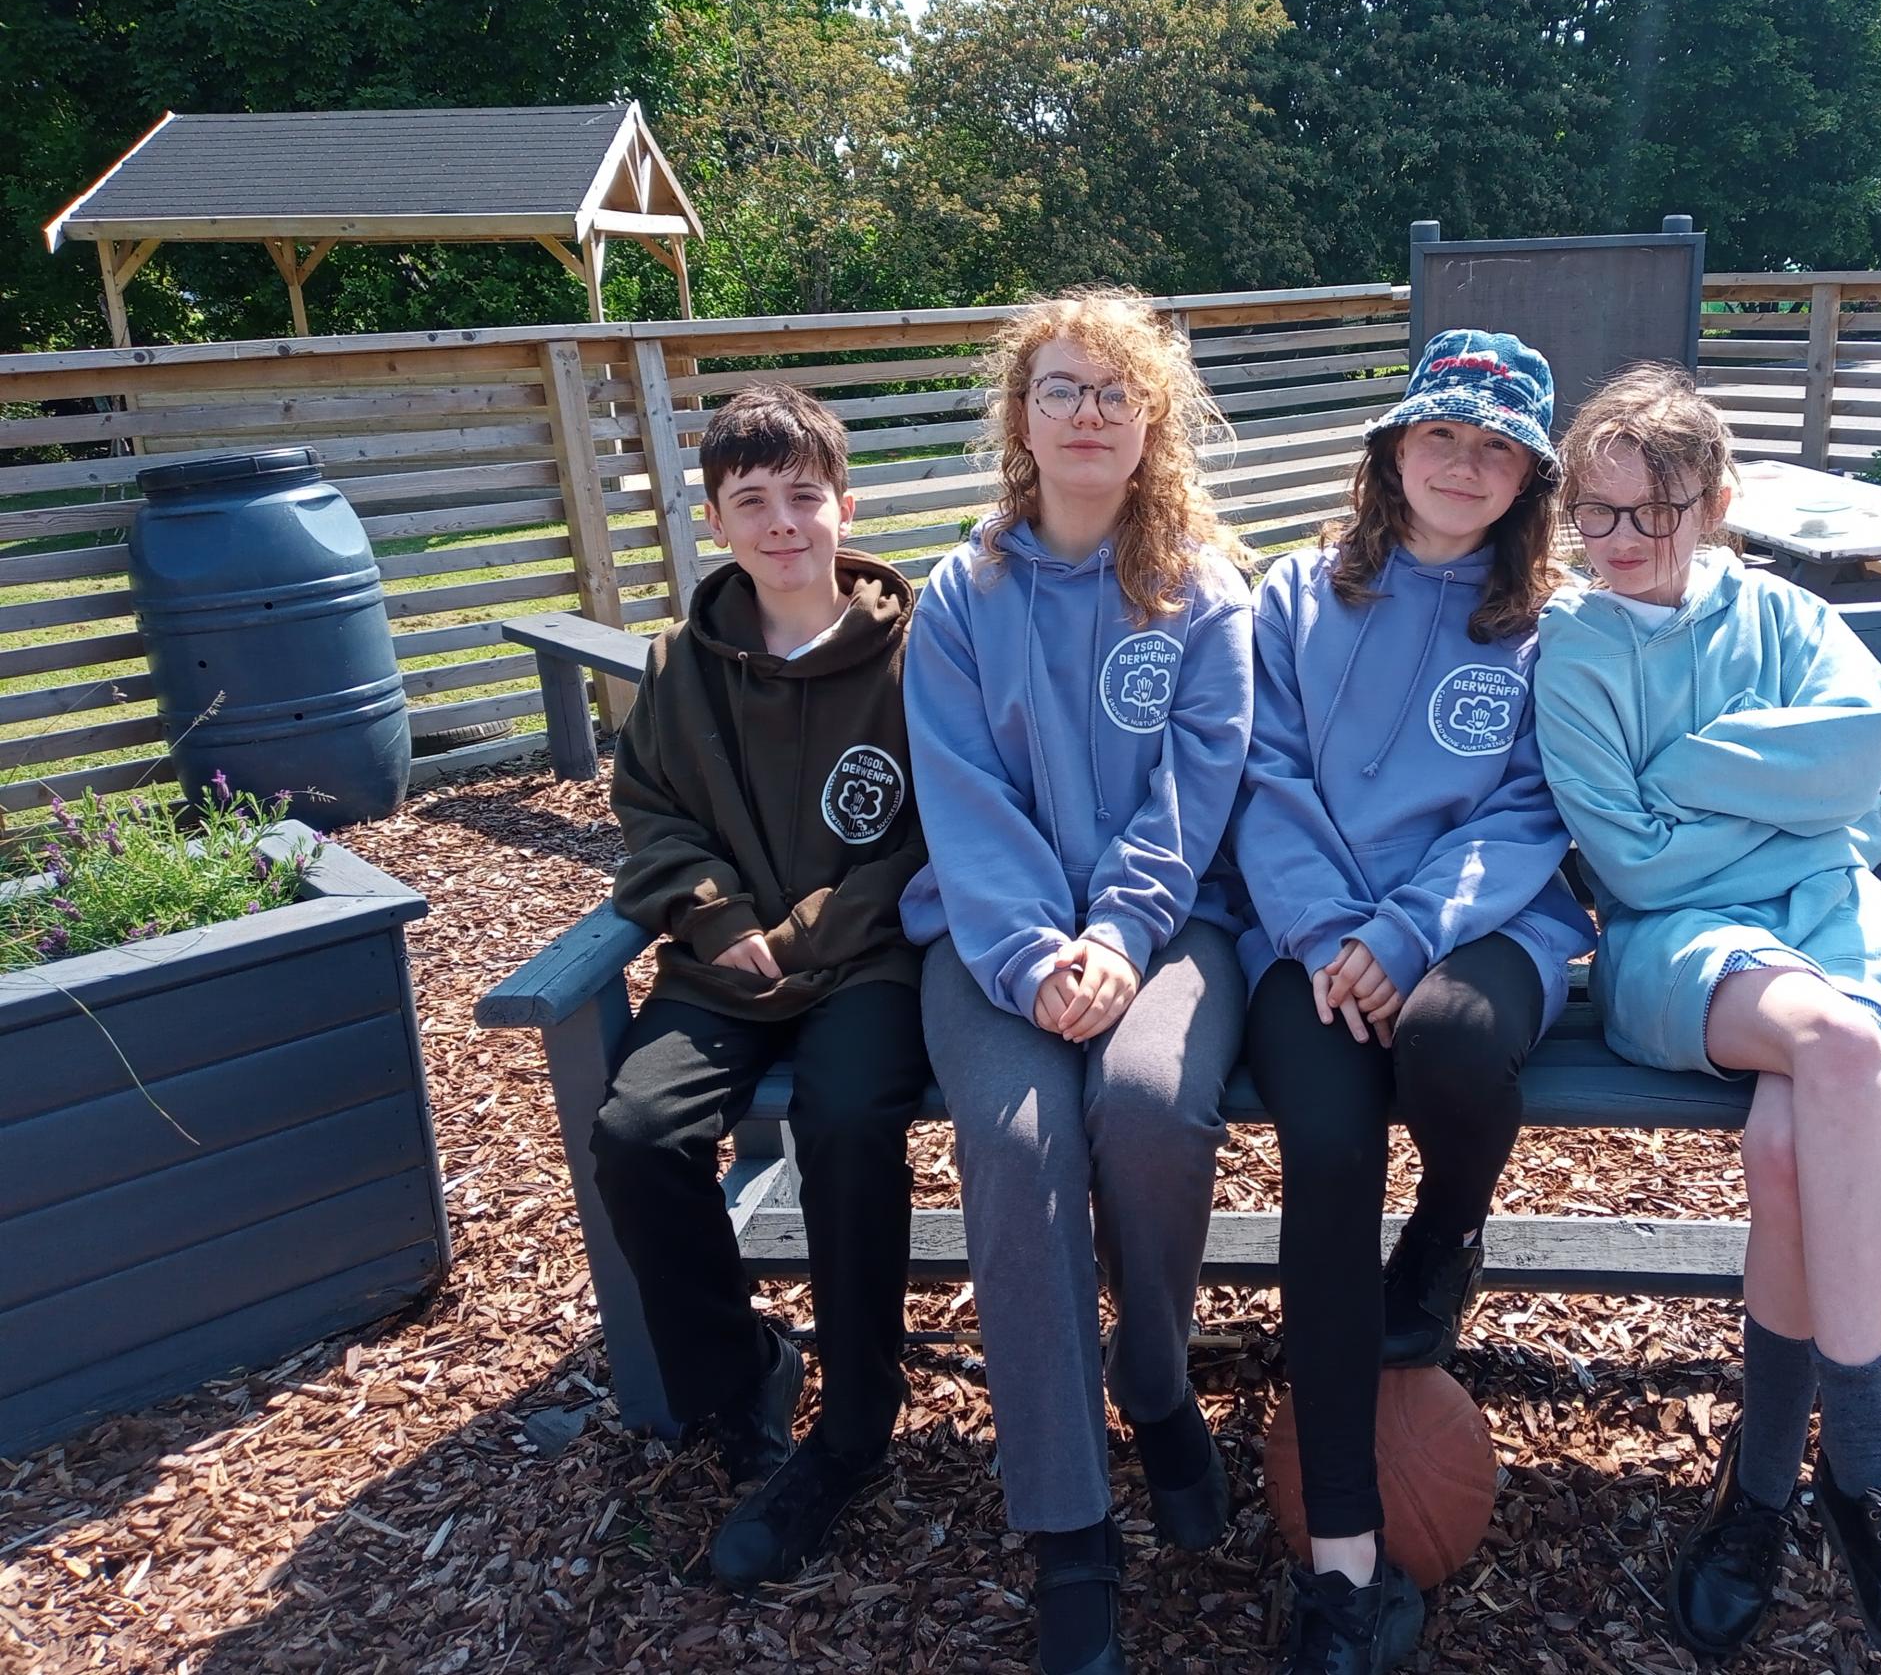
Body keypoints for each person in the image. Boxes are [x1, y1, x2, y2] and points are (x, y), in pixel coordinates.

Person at [1533, 363, 1881, 1675]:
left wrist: (1686, 775)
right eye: (1596, 514)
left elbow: (1864, 746)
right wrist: (1773, 797)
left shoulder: (1782, 614)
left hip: (1828, 923)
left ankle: (1758, 1492)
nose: (1621, 542)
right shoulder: (1575, 646)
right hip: (1676, 951)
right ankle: (1874, 1478)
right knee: (1837, 1045)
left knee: (1790, 1142)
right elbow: (1631, 865)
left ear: (1715, 502)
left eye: (1652, 512)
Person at [900, 288, 1256, 1675]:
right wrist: (1038, 950)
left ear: (1153, 416)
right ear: (1021, 417)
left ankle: (1156, 1384)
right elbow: (962, 794)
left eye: (1115, 391)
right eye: (1061, 388)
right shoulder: (962, 593)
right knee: (1017, 1137)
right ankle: (1067, 1526)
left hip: (1171, 935)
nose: (1090, 412)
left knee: (1154, 1103)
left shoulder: (1200, 589)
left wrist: (1119, 930)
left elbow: (1200, 785)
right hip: (990, 942)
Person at [1231, 329, 1597, 1675]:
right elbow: (1256, 772)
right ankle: (1340, 1565)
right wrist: (1335, 933)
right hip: (1304, 936)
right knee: (1327, 1147)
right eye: (1441, 434)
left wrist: (1403, 932)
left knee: (1446, 1040)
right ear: (1390, 450)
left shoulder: (1545, 629)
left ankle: (1445, 1232)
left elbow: (1529, 810)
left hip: (1483, 923)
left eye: (1496, 446)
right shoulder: (1292, 596)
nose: (1464, 461)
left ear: (1528, 480)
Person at [595, 383, 933, 1589]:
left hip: (869, 962)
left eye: (804, 495)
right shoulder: (683, 664)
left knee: (848, 1123)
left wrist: (809, 929)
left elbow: (940, 826)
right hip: (720, 967)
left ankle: (859, 1410)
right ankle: (739, 1376)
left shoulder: (918, 651)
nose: (783, 523)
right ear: (717, 521)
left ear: (846, 505)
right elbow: (647, 812)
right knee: (636, 1132)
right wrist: (713, 914)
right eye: (753, 502)